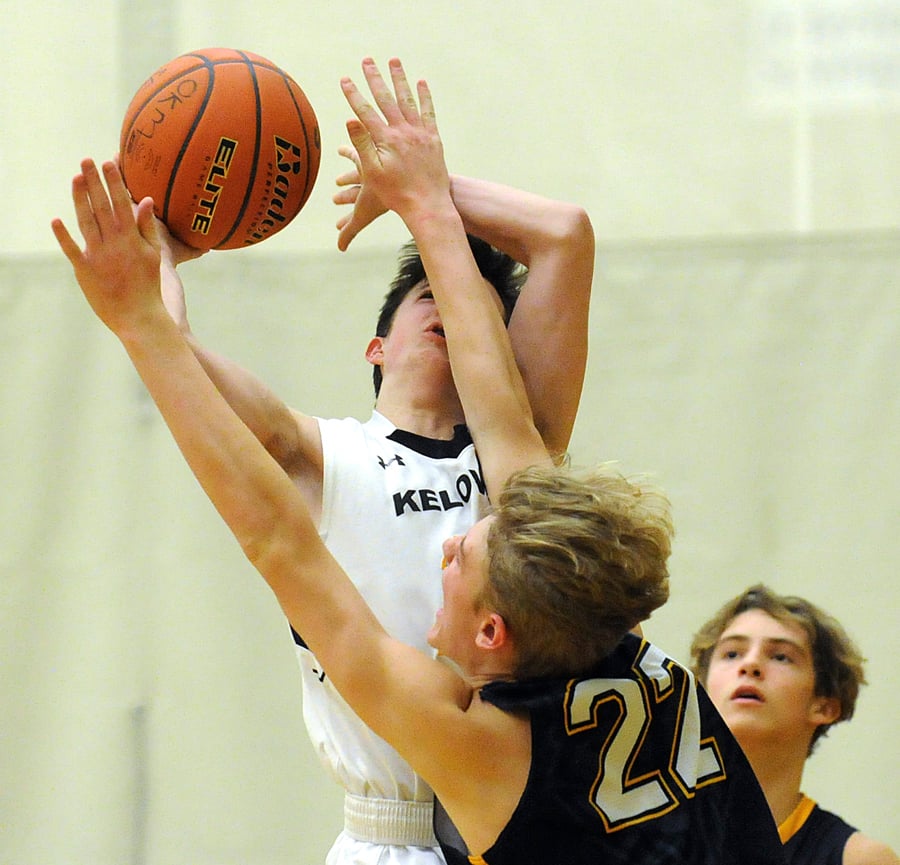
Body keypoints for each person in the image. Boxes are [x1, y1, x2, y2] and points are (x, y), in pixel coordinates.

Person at [53, 58, 786, 864]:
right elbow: (187, 368)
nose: (454, 538)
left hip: (485, 806)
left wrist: (428, 200)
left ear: (493, 627)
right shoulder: (548, 545)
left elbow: (277, 540)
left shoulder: (485, 712)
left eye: (464, 550)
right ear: (375, 345)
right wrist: (424, 199)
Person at [155, 59, 594, 865]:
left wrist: (424, 190)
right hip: (387, 832)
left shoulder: (519, 460)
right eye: (423, 296)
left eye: (467, 312)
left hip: (519, 815)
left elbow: (565, 234)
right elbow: (168, 352)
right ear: (376, 343)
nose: (447, 310)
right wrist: (161, 254)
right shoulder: (320, 451)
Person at [690, 584, 899, 865]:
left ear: (824, 706)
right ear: (700, 692)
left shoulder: (859, 859)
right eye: (731, 654)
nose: (750, 664)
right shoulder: (639, 830)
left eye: (781, 656)